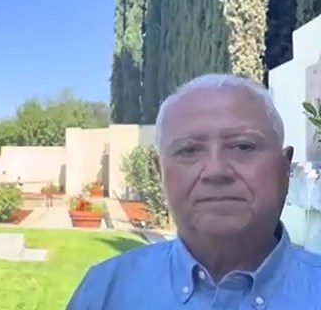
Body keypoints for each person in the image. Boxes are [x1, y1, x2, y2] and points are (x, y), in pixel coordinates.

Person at [67, 73, 321, 309]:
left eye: (243, 147)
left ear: (283, 167)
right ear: (160, 172)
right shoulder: (104, 293)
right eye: (189, 151)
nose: (216, 171)